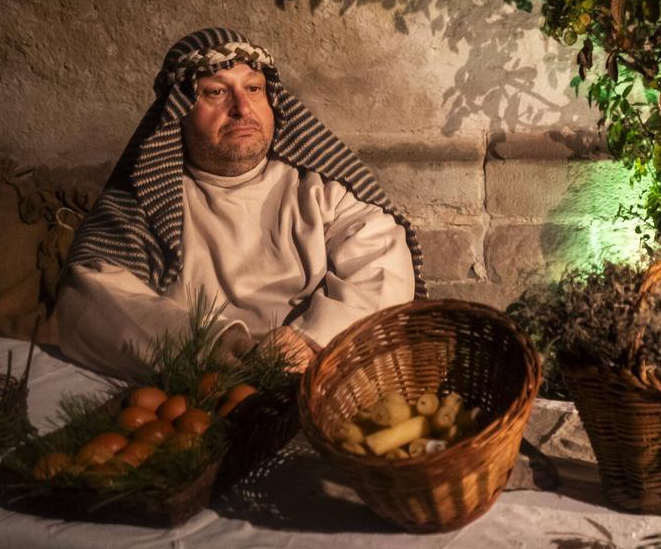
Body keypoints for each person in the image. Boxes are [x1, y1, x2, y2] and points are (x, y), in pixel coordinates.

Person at [57, 27, 425, 378]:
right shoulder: (150, 201)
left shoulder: (319, 189)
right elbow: (89, 300)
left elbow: (383, 261)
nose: (242, 108)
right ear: (178, 111)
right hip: (201, 384)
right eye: (216, 92)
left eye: (254, 88)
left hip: (314, 370)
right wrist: (216, 347)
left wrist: (312, 338)